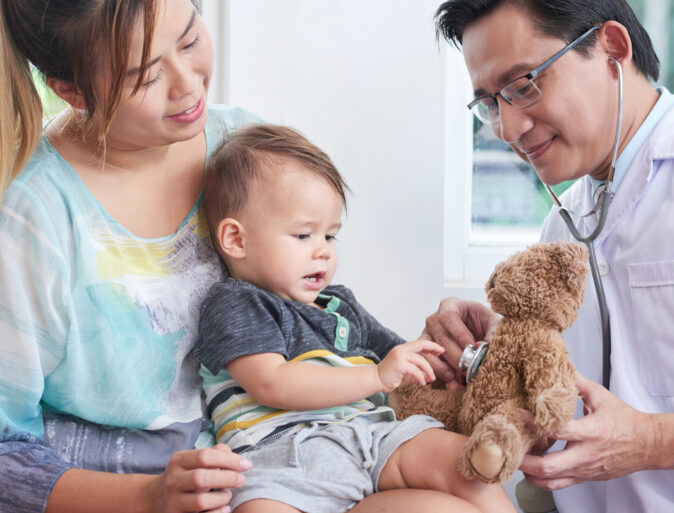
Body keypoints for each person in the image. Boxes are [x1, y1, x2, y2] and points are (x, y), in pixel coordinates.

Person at [0, 1, 491, 512]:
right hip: (167, 497)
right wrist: (149, 496)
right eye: (147, 77)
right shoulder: (32, 218)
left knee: (469, 491)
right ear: (70, 90)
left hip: (316, 453)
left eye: (190, 41)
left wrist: (433, 353)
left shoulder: (243, 149)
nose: (189, 85)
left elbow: (313, 319)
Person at [422, 1, 674, 513]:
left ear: (612, 47)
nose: (507, 128)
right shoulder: (561, 224)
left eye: (522, 85)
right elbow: (562, 394)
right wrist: (486, 352)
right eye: (492, 104)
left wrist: (655, 441)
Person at [194, 123, 518, 513]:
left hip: (373, 440)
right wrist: (376, 377)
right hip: (281, 465)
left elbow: (400, 358)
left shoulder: (340, 306)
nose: (323, 252)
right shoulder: (234, 302)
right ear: (236, 240)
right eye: (303, 236)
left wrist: (445, 364)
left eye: (330, 236)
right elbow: (271, 382)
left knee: (462, 465)